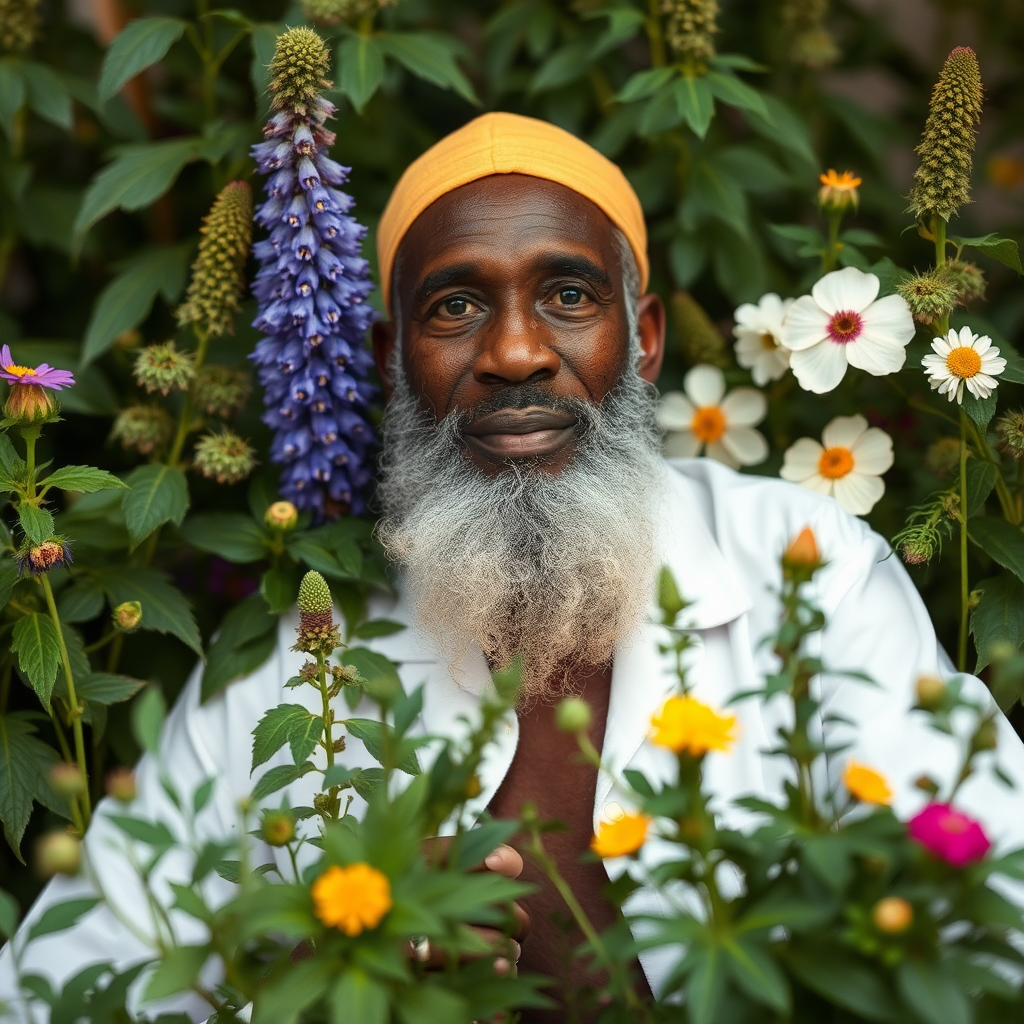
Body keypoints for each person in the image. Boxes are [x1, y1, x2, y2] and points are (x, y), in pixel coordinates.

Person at [2, 112, 1023, 1023]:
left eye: (568, 293)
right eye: (454, 309)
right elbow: (53, 987)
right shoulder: (298, 651)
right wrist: (329, 979)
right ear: (388, 355)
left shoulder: (811, 570)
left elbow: (990, 929)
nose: (518, 353)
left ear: (647, 338)